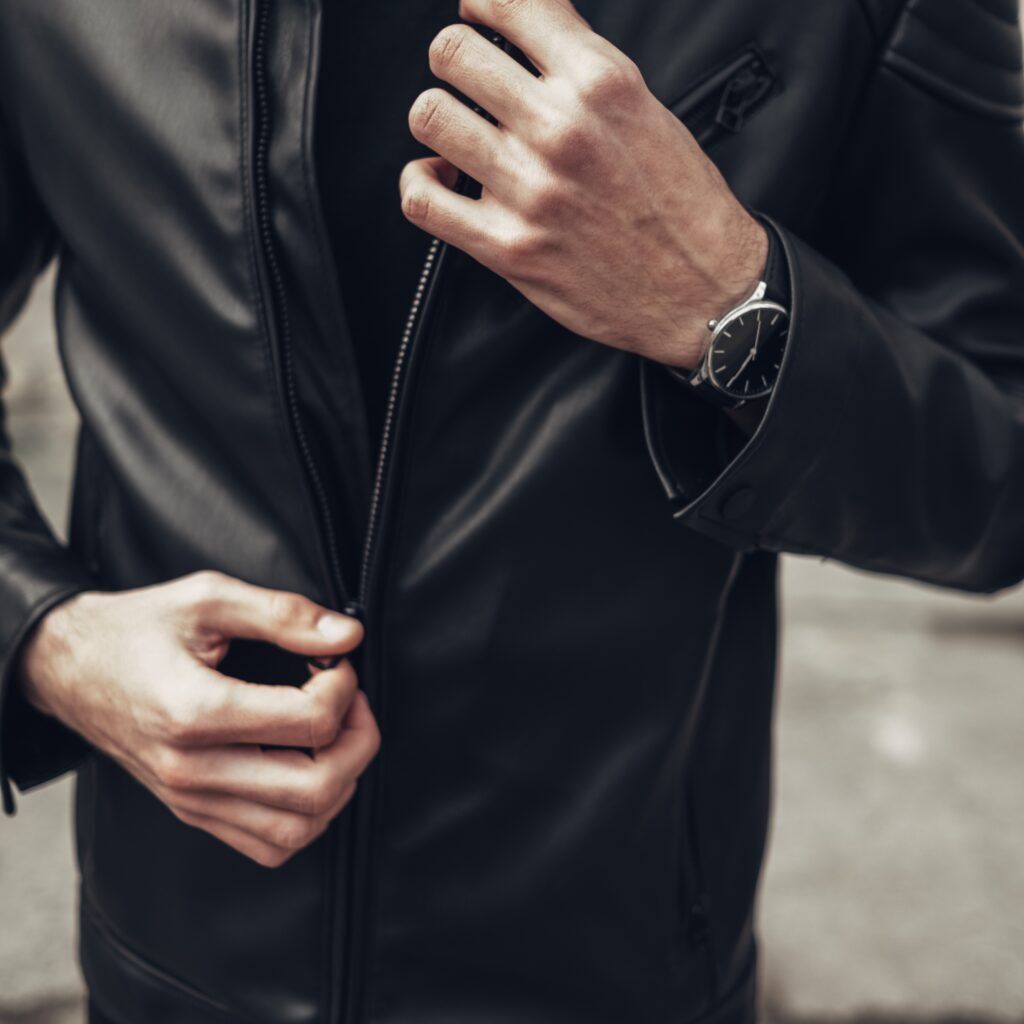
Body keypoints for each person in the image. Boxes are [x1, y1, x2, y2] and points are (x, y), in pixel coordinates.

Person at [1, 0, 1022, 1020]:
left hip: (617, 973)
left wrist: (729, 302)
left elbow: (996, 472)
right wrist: (48, 640)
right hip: (167, 962)